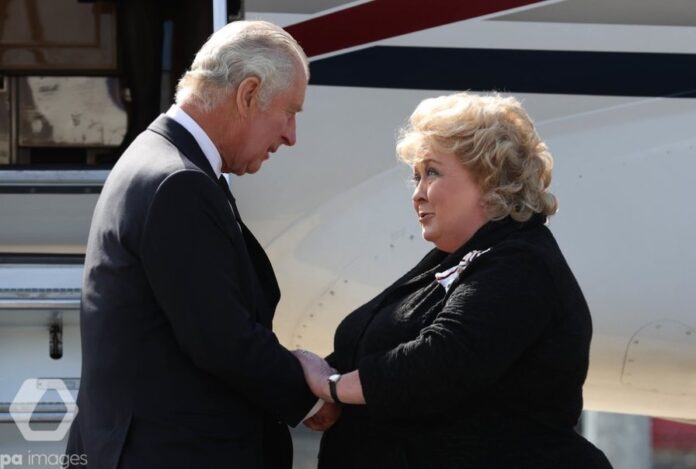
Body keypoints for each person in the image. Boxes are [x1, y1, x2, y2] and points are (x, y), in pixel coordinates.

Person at [296, 93, 613, 468]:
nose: (417, 194)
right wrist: (317, 389)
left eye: (432, 172)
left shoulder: (522, 263)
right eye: (416, 177)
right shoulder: (458, 259)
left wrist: (332, 387)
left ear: (489, 177)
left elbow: (440, 362)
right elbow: (374, 350)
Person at [65, 21, 328, 469]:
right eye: (289, 112)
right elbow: (220, 337)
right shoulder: (179, 181)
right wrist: (315, 398)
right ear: (247, 95)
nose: (290, 136)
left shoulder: (161, 157)